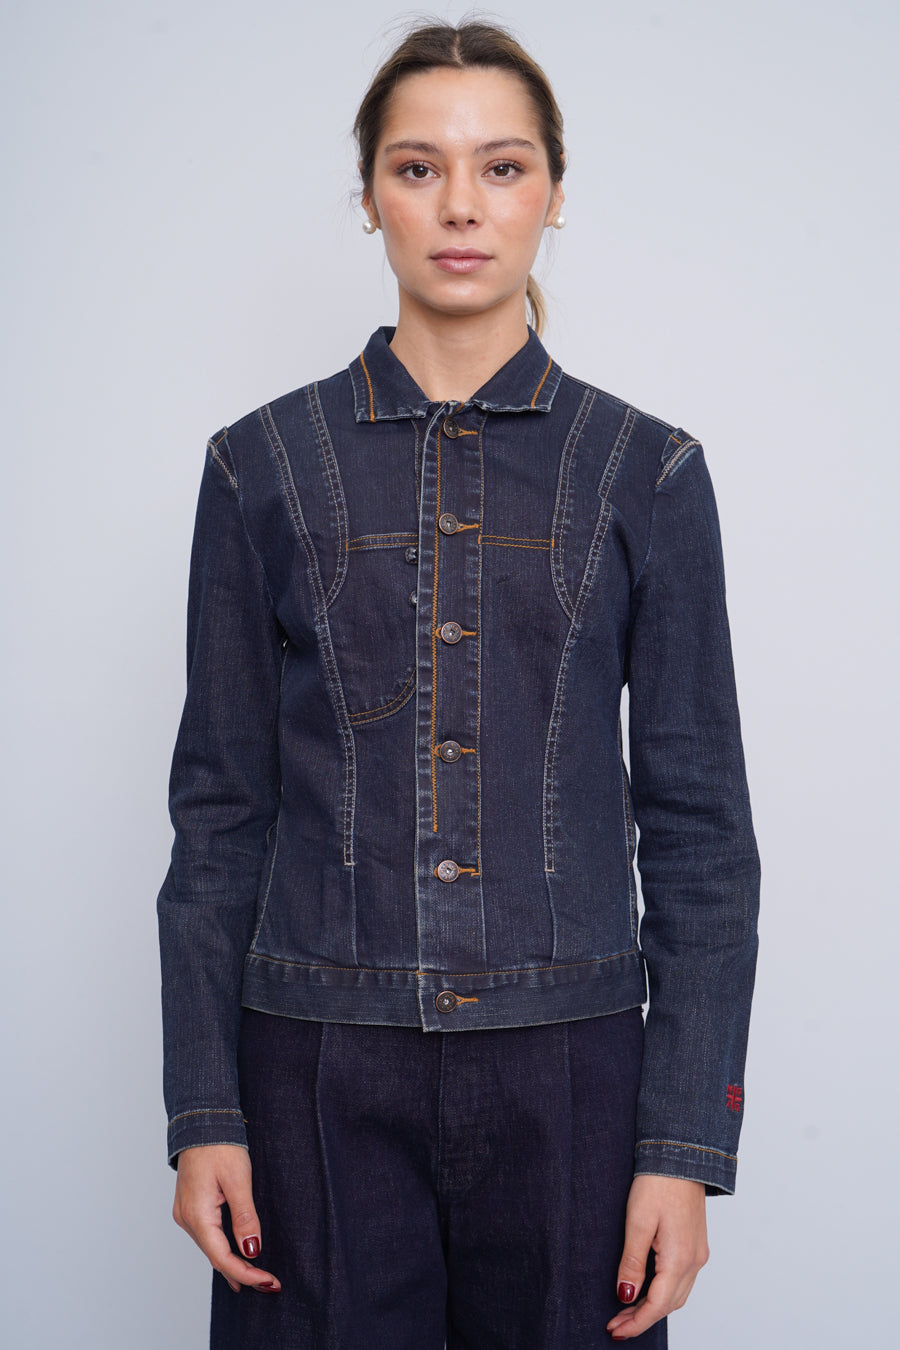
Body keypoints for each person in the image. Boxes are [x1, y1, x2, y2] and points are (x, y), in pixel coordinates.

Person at [157, 19, 760, 1348]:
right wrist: (203, 1108)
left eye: (503, 166)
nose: (462, 207)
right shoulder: (259, 467)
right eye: (419, 167)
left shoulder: (649, 474)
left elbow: (702, 830)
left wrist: (681, 1142)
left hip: (572, 1070)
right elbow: (219, 817)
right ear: (370, 194)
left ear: (554, 191)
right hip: (315, 1068)